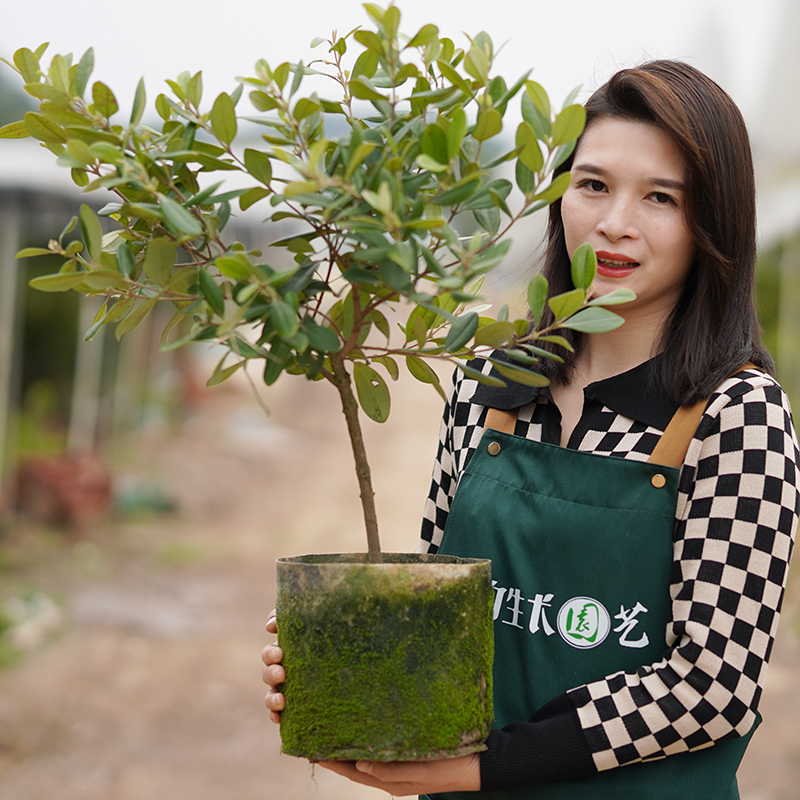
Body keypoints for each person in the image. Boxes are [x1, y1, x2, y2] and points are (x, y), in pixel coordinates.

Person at [263, 60, 800, 798]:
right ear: (558, 197)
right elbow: (442, 608)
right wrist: (345, 651)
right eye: (593, 185)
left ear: (712, 221)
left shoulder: (736, 415)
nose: (615, 222)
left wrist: (478, 769)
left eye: (661, 198)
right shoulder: (492, 384)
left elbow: (711, 687)